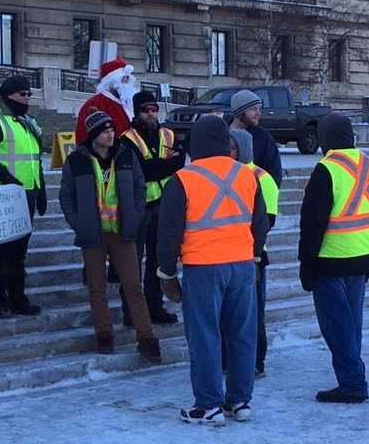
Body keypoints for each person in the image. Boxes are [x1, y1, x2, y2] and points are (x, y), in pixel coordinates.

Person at [157, 116, 268, 426]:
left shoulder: (184, 178)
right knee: (241, 334)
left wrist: (166, 273)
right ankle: (240, 401)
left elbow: (168, 232)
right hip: (242, 266)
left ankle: (208, 406)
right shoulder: (247, 175)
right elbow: (260, 223)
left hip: (203, 268)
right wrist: (255, 258)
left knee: (205, 335)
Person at [59, 110, 162, 365]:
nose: (110, 134)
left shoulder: (125, 156)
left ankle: (147, 338)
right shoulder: (77, 160)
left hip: (122, 231)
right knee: (97, 288)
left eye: (112, 130)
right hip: (93, 233)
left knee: (133, 286)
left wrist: (136, 216)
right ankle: (104, 335)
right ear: (94, 134)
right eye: (105, 131)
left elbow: (139, 187)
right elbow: (66, 197)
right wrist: (78, 223)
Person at [298, 113, 369, 403]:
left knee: (337, 325)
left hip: (332, 259)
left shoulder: (327, 169)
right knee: (352, 323)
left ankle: (352, 383)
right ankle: (353, 376)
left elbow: (312, 224)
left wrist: (306, 265)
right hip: (363, 254)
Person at [0, 75, 46, 318]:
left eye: (29, 94)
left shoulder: (29, 121)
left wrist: (42, 188)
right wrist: (2, 174)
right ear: (7, 95)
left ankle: (18, 298)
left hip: (26, 194)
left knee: (19, 252)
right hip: (1, 194)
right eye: (22, 94)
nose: (26, 98)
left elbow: (35, 159)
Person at [119, 90, 185, 326]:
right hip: (139, 207)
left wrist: (160, 165)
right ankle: (132, 311)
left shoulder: (167, 133)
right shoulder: (127, 138)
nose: (151, 114)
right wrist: (165, 164)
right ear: (137, 112)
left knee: (158, 260)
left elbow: (180, 162)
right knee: (133, 262)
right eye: (146, 110)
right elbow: (142, 171)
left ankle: (154, 306)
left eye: (154, 109)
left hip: (165, 206)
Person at [228, 129, 279, 378]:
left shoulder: (261, 177)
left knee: (253, 313)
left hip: (254, 256)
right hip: (228, 254)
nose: (229, 152)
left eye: (234, 148)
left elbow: (267, 221)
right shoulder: (225, 174)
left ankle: (256, 359)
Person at [74, 58, 138, 144]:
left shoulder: (131, 103)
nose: (127, 81)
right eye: (123, 78)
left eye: (128, 78)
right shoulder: (96, 104)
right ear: (111, 81)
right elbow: (84, 136)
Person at [229, 90, 282, 187]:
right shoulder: (222, 134)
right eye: (253, 109)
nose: (259, 113)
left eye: (259, 108)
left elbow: (274, 173)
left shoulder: (263, 138)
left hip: (254, 196)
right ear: (240, 112)